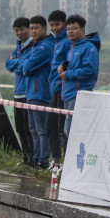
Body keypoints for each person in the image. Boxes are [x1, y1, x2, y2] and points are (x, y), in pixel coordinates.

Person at [55, 14, 100, 149]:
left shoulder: (89, 48)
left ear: (83, 29)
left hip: (78, 95)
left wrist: (69, 74)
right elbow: (76, 65)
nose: (70, 32)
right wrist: (64, 66)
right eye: (68, 29)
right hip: (68, 94)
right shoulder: (72, 47)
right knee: (67, 131)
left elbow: (90, 70)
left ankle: (76, 163)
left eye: (74, 28)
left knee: (72, 132)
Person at [20, 15, 55, 169]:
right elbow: (21, 64)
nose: (33, 31)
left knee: (42, 130)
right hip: (31, 93)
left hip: (40, 93)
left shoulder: (44, 47)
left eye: (36, 28)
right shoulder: (35, 46)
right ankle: (35, 159)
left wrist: (24, 64)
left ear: (44, 28)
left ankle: (43, 160)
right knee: (33, 129)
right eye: (31, 28)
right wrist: (24, 63)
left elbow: (25, 67)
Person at [4, 16, 33, 165]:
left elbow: (28, 66)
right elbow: (8, 64)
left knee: (30, 128)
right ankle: (25, 157)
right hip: (17, 93)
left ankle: (33, 158)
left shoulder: (33, 46)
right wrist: (17, 62)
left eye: (22, 29)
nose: (19, 32)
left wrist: (17, 62)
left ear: (29, 29)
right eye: (16, 30)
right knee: (20, 128)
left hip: (28, 93)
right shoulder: (18, 47)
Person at [45, 10, 67, 167]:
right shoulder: (55, 41)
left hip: (62, 88)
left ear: (64, 24)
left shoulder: (67, 41)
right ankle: (56, 160)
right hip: (54, 88)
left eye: (57, 24)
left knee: (62, 128)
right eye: (51, 25)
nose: (54, 28)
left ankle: (67, 163)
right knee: (51, 126)